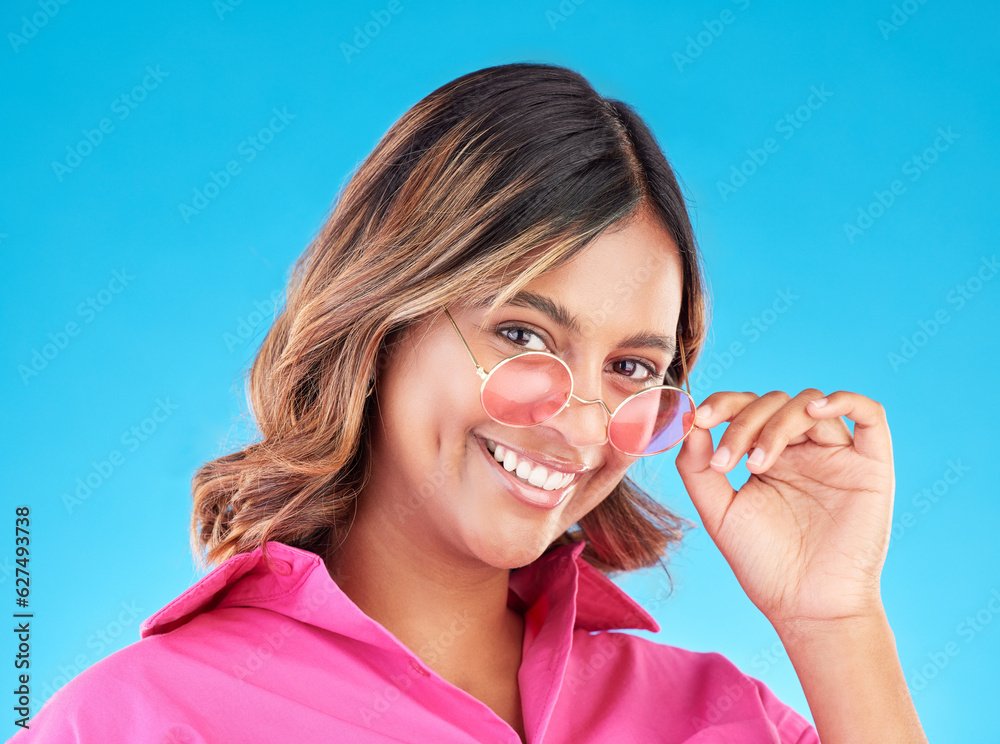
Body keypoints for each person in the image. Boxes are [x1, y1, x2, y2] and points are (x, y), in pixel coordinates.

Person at [12, 62, 928, 743]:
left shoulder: (716, 719)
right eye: (524, 335)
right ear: (384, 319)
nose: (574, 422)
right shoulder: (136, 720)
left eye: (631, 367)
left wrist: (835, 622)